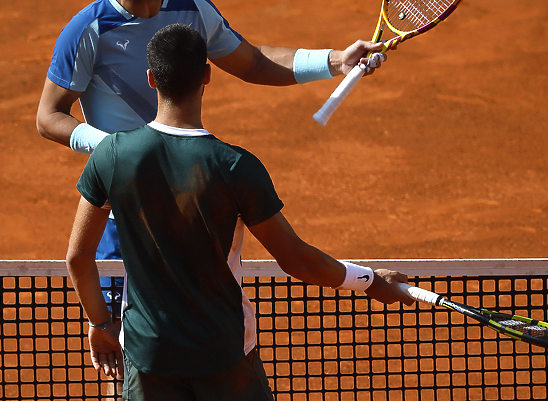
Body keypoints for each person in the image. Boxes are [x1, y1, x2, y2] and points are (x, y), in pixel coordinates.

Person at [39, 0, 390, 316]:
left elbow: (254, 62)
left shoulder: (192, 9)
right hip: (124, 208)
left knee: (194, 317)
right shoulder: (89, 29)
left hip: (188, 200)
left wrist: (335, 61)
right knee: (125, 337)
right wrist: (113, 148)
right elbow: (49, 117)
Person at [65, 23, 412, 400]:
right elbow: (296, 259)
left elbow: (79, 257)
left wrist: (100, 324)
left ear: (151, 78)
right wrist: (371, 281)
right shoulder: (235, 167)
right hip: (225, 355)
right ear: (207, 75)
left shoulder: (111, 156)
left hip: (150, 356)